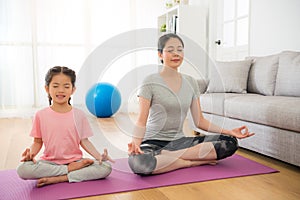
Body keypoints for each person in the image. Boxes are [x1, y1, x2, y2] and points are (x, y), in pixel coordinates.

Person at [128, 33, 255, 175]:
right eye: (170, 50)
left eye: (180, 49)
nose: (176, 54)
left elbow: (200, 121)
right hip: (153, 142)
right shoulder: (150, 81)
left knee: (230, 142)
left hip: (180, 143)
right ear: (160, 54)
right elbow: (141, 121)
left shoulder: (191, 82)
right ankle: (190, 162)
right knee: (140, 163)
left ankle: (166, 158)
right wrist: (136, 144)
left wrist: (229, 131)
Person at [17, 66, 113, 187]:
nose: (61, 90)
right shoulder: (40, 115)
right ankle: (68, 171)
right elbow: (37, 142)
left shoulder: (79, 115)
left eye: (66, 86)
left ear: (73, 90)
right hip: (49, 163)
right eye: (55, 86)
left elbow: (84, 141)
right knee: (22, 169)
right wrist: (30, 155)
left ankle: (58, 178)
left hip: (75, 161)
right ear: (47, 89)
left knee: (105, 167)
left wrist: (99, 156)